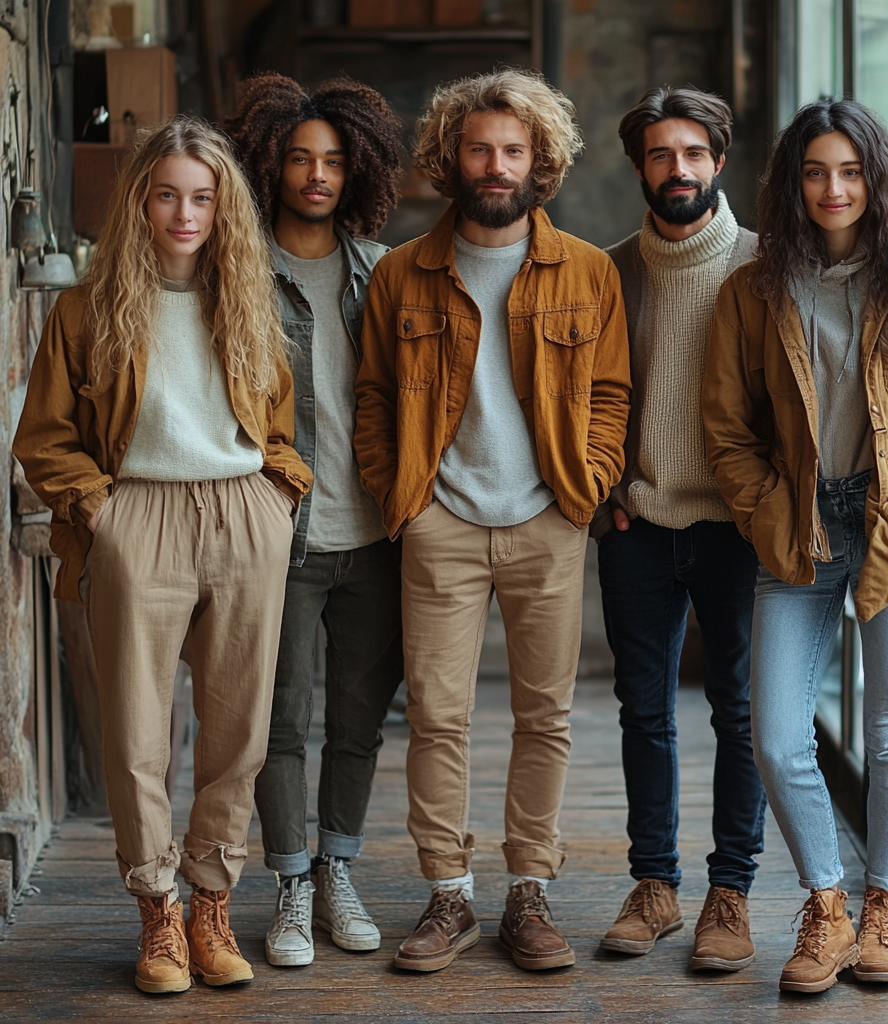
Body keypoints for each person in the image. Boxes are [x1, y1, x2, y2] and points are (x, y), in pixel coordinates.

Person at [13, 115, 312, 993]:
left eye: (204, 197)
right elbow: (45, 438)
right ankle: (157, 913)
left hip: (241, 514)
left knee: (237, 731)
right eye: (168, 195)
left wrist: (279, 492)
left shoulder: (248, 302)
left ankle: (211, 903)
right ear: (141, 201)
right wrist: (100, 512)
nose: (186, 214)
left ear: (225, 208)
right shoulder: (85, 308)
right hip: (135, 513)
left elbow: (281, 422)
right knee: (138, 734)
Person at [702, 98, 888, 994]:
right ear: (792, 183)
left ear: (877, 179)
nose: (834, 188)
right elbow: (726, 428)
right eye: (816, 171)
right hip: (799, 528)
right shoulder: (754, 288)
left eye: (852, 171)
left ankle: (880, 911)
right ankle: (824, 903)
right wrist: (764, 510)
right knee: (777, 735)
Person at [354, 68, 630, 973]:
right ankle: (450, 895)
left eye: (514, 149)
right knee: (437, 714)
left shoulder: (588, 272)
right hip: (441, 523)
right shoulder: (402, 273)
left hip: (549, 519)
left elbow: (613, 396)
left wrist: (584, 485)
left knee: (545, 715)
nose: (496, 164)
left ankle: (529, 892)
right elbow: (373, 399)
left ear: (540, 160)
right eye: (479, 148)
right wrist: (403, 499)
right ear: (450, 157)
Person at [227, 73, 406, 969]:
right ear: (269, 164)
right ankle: (291, 885)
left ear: (357, 169)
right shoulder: (238, 270)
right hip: (282, 537)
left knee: (360, 721)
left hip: (377, 537)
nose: (316, 174)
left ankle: (339, 869)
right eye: (298, 158)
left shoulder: (385, 271)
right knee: (278, 721)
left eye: (333, 160)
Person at [595, 86, 766, 970]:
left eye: (693, 153)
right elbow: (581, 399)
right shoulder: (611, 269)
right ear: (639, 169)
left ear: (719, 162)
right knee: (644, 711)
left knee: (740, 716)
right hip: (640, 521)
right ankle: (655, 888)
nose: (678, 170)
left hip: (739, 528)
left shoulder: (763, 265)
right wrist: (602, 495)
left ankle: (729, 895)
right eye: (661, 155)